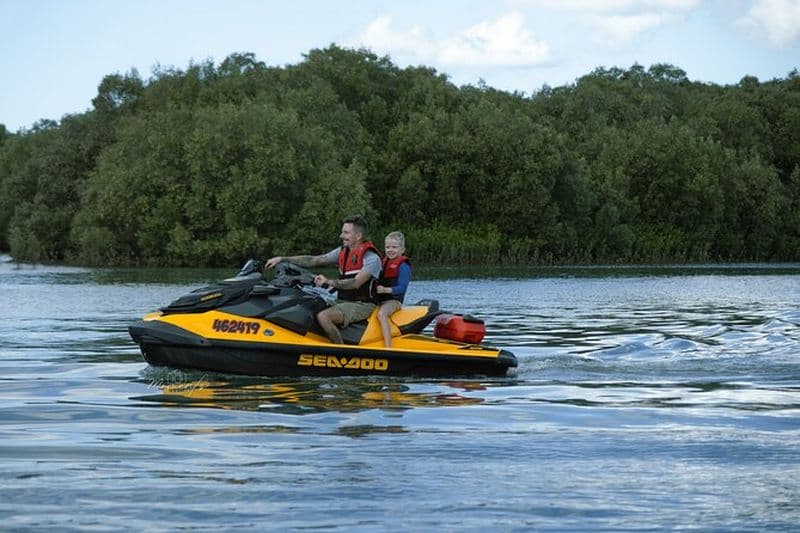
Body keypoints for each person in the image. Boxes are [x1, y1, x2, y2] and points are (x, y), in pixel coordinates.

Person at [264, 215, 382, 344]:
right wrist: (282, 259)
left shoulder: (371, 258)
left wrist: (327, 281)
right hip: (342, 299)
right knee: (309, 303)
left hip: (362, 304)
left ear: (358, 236)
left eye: (346, 232)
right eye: (342, 232)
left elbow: (355, 283)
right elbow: (315, 260)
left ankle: (341, 352)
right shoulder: (343, 251)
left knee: (324, 317)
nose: (341, 236)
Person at [375, 231, 412, 347]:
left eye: (394, 247)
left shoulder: (403, 266)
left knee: (382, 314)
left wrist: (385, 290)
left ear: (402, 249)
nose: (390, 250)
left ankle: (388, 348)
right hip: (380, 299)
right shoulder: (383, 263)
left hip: (394, 301)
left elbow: (402, 288)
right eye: (387, 247)